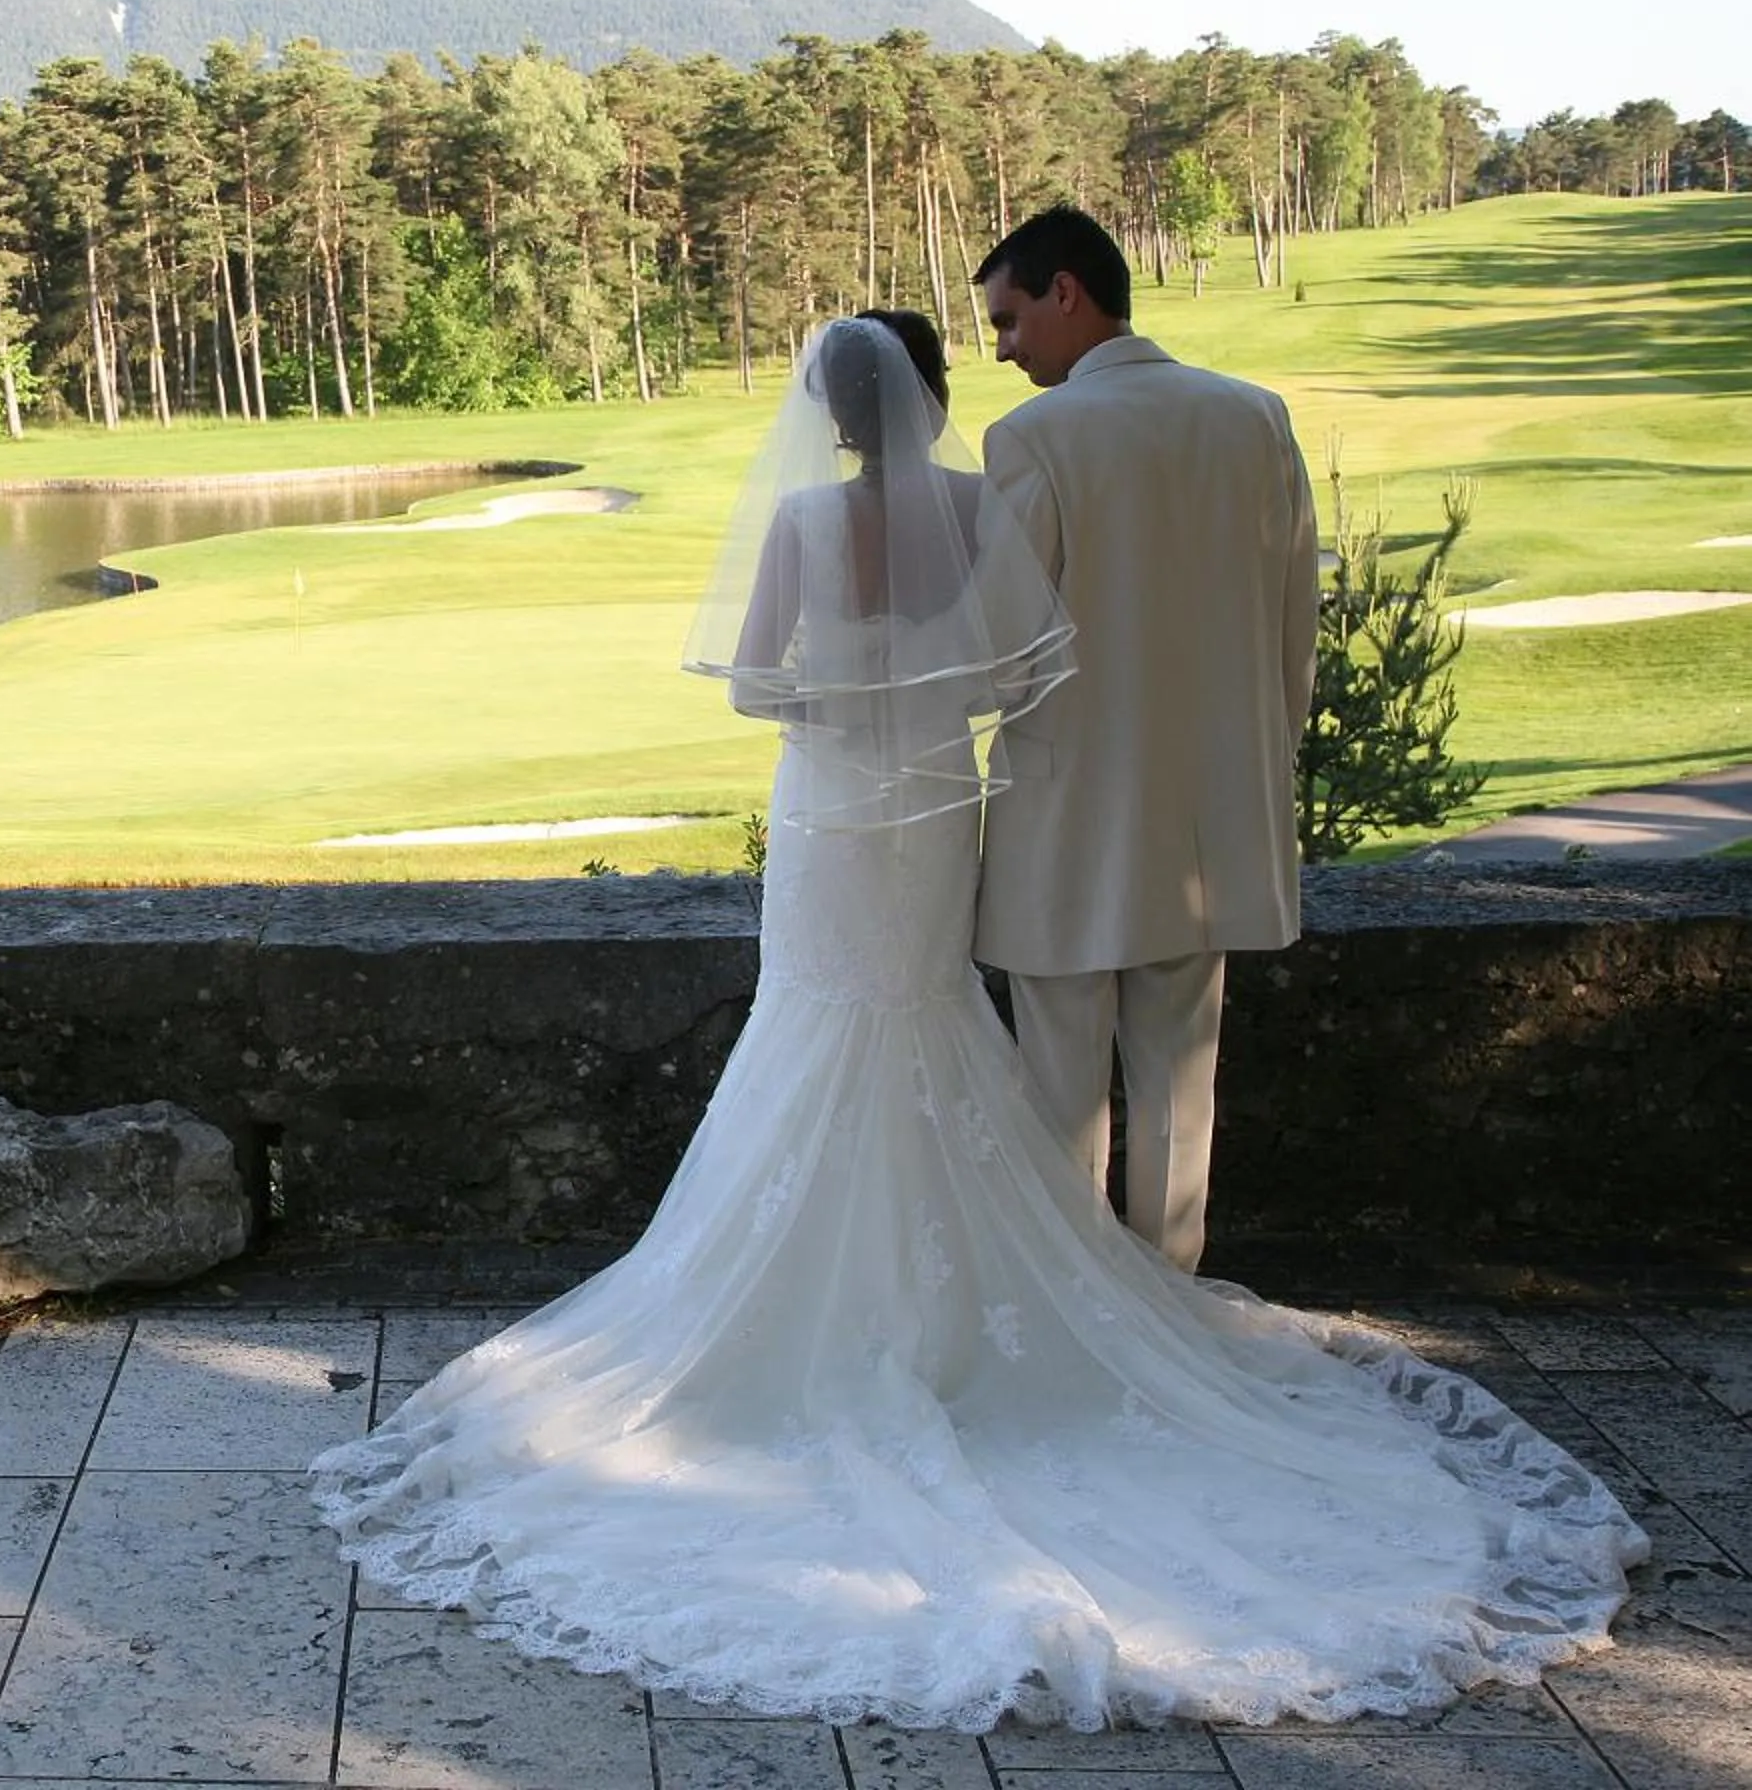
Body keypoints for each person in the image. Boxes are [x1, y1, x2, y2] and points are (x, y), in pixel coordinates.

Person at [310, 311, 1643, 1733]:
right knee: (931, 1018)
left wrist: (845, 696)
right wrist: (924, 698)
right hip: (937, 813)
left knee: (817, 1022)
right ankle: (1011, 1311)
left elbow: (756, 683)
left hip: (834, 812)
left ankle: (812, 1313)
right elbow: (1021, 669)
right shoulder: (973, 504)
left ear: (827, 415)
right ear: (932, 392)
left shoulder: (804, 524)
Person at [971, 206, 1317, 1272]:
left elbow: (1000, 651)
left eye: (1010, 319)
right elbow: (1294, 629)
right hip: (1212, 819)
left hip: (1065, 813)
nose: (1005, 348)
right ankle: (1171, 1305)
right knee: (1180, 1090)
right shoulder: (1255, 418)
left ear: (1067, 292)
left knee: (1061, 1097)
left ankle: (1081, 1310)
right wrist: (1257, 764)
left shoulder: (1034, 437)